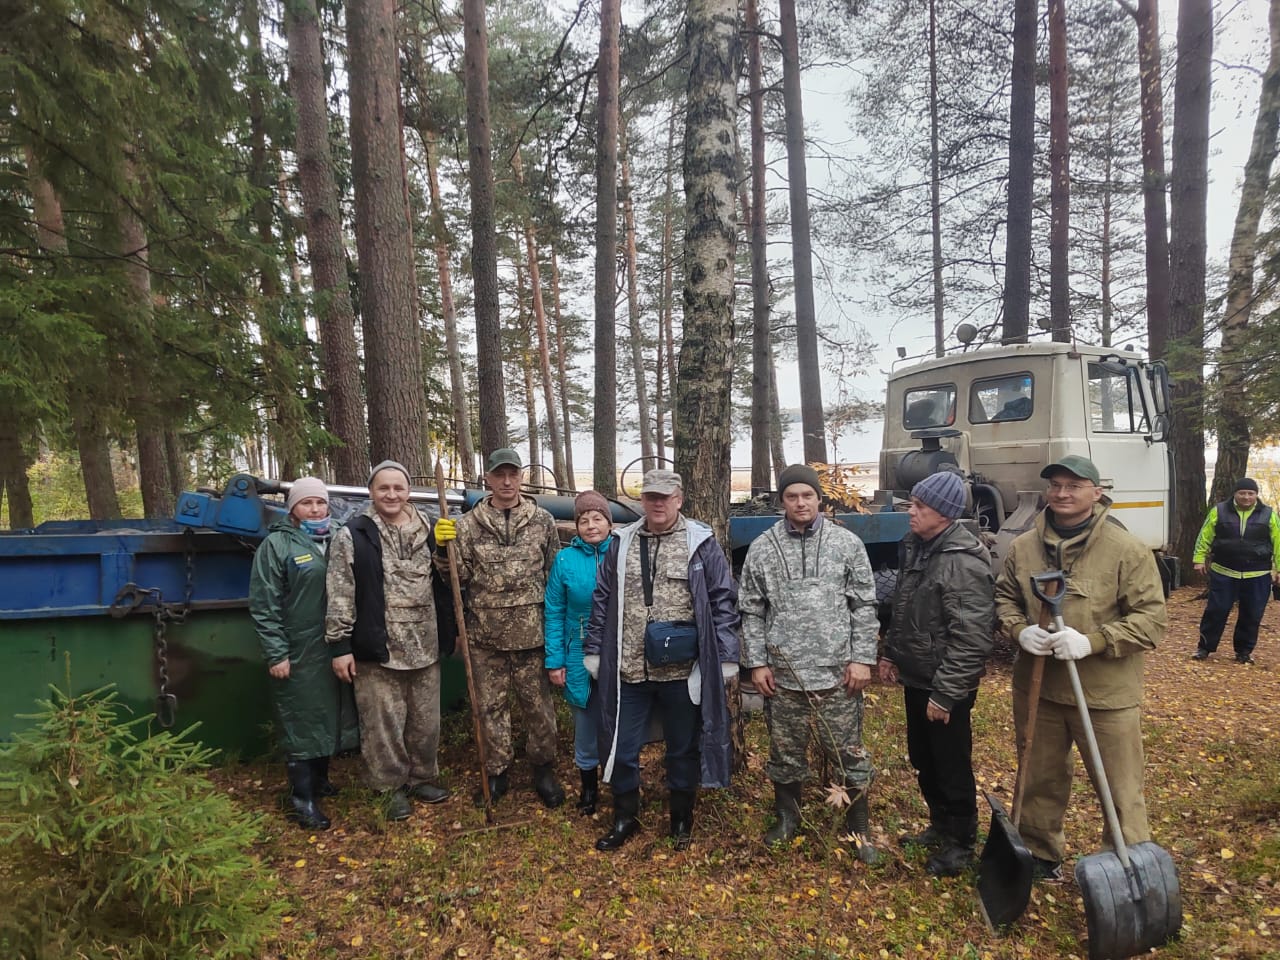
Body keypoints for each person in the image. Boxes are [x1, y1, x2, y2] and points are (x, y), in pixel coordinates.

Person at [994, 454, 1167, 880]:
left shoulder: (1126, 549)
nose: (1062, 493)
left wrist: (1092, 641)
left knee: (1119, 787)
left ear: (1097, 492)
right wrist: (1018, 631)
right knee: (1039, 777)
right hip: (1040, 691)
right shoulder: (1023, 547)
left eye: (1074, 485)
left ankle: (1131, 867)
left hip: (1105, 695)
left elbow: (1151, 621)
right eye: (1055, 485)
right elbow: (1005, 599)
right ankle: (1038, 853)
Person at [583, 469, 740, 851]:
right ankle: (625, 817)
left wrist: (725, 656)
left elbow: (722, 601)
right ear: (642, 500)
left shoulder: (700, 543)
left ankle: (681, 820)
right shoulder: (622, 541)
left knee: (682, 747)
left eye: (665, 496)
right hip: (629, 667)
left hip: (683, 671)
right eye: (651, 496)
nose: (657, 503)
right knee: (621, 744)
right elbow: (602, 599)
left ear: (679, 499)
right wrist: (593, 650)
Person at [738, 464, 880, 861]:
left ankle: (859, 827)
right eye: (791, 496)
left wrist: (862, 659)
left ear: (820, 498)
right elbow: (750, 610)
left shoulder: (846, 545)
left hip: (838, 674)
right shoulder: (763, 548)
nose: (800, 503)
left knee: (848, 751)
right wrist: (757, 663)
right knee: (785, 750)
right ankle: (787, 817)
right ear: (781, 501)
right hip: (783, 674)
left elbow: (864, 605)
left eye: (808, 495)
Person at [433, 448, 564, 807]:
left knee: (538, 708)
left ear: (521, 477)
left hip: (532, 636)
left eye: (513, 474)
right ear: (487, 479)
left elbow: (554, 576)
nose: (507, 481)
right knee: (489, 709)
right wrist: (444, 550)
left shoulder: (542, 521)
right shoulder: (467, 525)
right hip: (484, 638)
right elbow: (456, 579)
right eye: (499, 474)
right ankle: (497, 771)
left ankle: (543, 770)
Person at [878, 469, 994, 876]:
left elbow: (972, 638)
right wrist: (892, 654)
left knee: (950, 763)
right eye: (913, 503)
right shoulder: (918, 546)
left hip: (945, 684)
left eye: (919, 506)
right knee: (923, 757)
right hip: (918, 677)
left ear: (943, 514)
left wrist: (945, 695)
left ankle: (961, 843)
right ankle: (940, 825)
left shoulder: (961, 563)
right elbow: (904, 608)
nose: (911, 511)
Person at [326, 461, 451, 822]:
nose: (392, 495)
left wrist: (445, 550)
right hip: (377, 647)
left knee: (425, 721)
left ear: (408, 491)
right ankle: (388, 786)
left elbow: (447, 579)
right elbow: (340, 592)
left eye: (398, 488)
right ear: (371, 491)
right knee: (382, 723)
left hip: (425, 642)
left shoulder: (430, 527)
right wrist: (340, 645)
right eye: (384, 488)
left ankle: (423, 777)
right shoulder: (354, 533)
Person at [249, 477, 360, 830]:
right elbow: (264, 604)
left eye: (320, 503)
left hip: (335, 644)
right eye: (306, 503)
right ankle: (302, 798)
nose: (315, 509)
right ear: (292, 508)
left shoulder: (339, 535)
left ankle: (322, 781)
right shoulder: (277, 545)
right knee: (301, 719)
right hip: (299, 648)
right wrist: (276, 652)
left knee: (329, 713)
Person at [544, 490, 614, 815]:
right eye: (584, 520)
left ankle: (621, 782)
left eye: (597, 518)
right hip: (578, 651)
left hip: (617, 652)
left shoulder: (622, 553)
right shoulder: (565, 560)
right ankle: (589, 788)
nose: (591, 525)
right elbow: (554, 610)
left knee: (619, 717)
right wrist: (555, 661)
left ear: (609, 523)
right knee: (585, 719)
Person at [1190, 477, 1280, 664]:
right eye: (1242, 493)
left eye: (1250, 493)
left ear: (1256, 495)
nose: (1246, 497)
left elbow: (1278, 542)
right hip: (1224, 571)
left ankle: (1243, 652)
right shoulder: (1219, 511)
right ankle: (1204, 647)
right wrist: (1199, 559)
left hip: (1257, 574)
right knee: (1216, 610)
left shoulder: (1269, 514)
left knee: (1252, 614)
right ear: (1235, 494)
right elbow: (1205, 535)